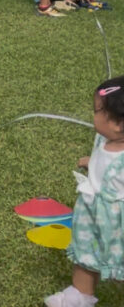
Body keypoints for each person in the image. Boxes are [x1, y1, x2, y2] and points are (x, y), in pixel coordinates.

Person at [45, 76, 124, 307]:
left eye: (97, 111)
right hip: (90, 218)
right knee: (85, 257)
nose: (93, 115)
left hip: (117, 227)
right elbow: (105, 162)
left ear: (118, 123)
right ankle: (79, 296)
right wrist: (93, 161)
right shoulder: (104, 138)